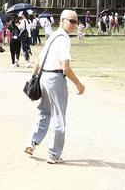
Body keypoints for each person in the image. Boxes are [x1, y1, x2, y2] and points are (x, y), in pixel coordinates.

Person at [24, 10, 85, 164]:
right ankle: (53, 154)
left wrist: (34, 77)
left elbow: (39, 59)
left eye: (76, 22)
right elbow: (66, 67)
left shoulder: (53, 36)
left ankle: (32, 142)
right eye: (71, 21)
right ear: (62, 20)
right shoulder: (63, 38)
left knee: (44, 112)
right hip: (55, 78)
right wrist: (79, 84)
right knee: (58, 116)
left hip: (44, 77)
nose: (74, 25)